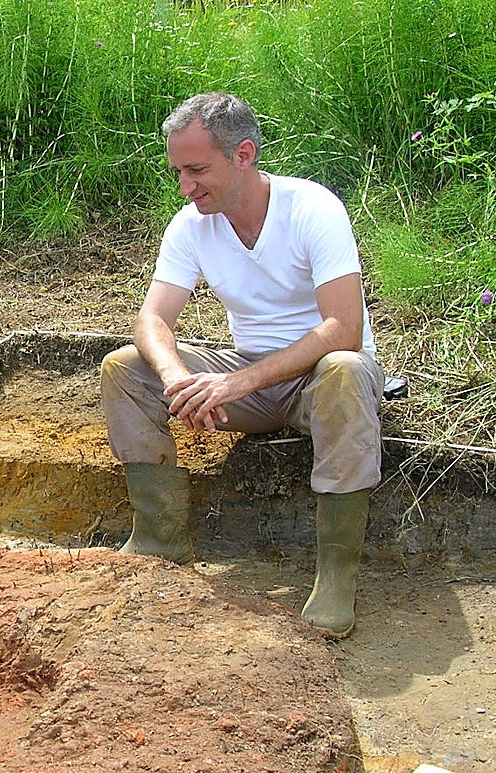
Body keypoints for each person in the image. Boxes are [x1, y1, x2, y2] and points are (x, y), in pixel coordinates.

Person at [100, 93, 383, 639]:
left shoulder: (312, 208)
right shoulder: (191, 226)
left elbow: (341, 328)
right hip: (250, 378)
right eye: (178, 171)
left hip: (322, 379)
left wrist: (237, 382)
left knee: (346, 368)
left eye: (197, 170)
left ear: (244, 154)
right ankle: (160, 537)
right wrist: (176, 379)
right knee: (125, 367)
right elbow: (153, 319)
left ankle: (335, 577)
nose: (186, 186)